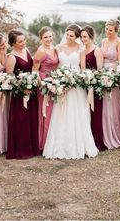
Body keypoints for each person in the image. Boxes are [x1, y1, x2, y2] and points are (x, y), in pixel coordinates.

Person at [43, 24, 98, 159]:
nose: (68, 37)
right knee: (61, 114)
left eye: (71, 35)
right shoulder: (58, 48)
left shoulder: (81, 49)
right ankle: (60, 146)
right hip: (62, 85)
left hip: (76, 86)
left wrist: (76, 79)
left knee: (77, 114)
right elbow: (55, 66)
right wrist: (58, 81)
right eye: (67, 34)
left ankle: (79, 145)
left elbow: (83, 68)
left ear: (77, 37)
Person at [6, 30, 40, 159]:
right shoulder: (11, 57)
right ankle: (21, 149)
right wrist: (22, 88)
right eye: (20, 42)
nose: (23, 43)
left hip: (31, 92)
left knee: (31, 119)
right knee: (21, 121)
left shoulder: (26, 51)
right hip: (19, 95)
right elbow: (9, 78)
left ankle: (32, 148)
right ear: (13, 43)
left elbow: (31, 69)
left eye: (24, 40)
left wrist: (33, 83)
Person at [80, 25, 107, 151]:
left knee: (95, 113)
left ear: (91, 36)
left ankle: (97, 141)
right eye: (81, 37)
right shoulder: (82, 50)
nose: (83, 39)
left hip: (95, 86)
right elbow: (82, 68)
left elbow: (100, 69)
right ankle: (87, 140)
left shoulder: (97, 50)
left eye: (85, 36)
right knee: (85, 113)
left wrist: (92, 79)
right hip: (84, 85)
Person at [101, 19, 120, 149]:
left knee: (113, 105)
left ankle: (115, 135)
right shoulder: (103, 41)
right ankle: (105, 134)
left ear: (116, 30)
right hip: (102, 75)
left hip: (113, 76)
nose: (107, 32)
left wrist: (112, 76)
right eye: (106, 29)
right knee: (104, 105)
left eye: (110, 30)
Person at [33, 26, 59, 151]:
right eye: (45, 37)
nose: (48, 39)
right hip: (43, 83)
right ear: (41, 39)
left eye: (50, 36)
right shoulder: (41, 51)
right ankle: (44, 143)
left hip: (54, 82)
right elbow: (34, 70)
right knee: (46, 112)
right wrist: (42, 84)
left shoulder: (55, 49)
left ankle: (54, 140)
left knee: (54, 112)